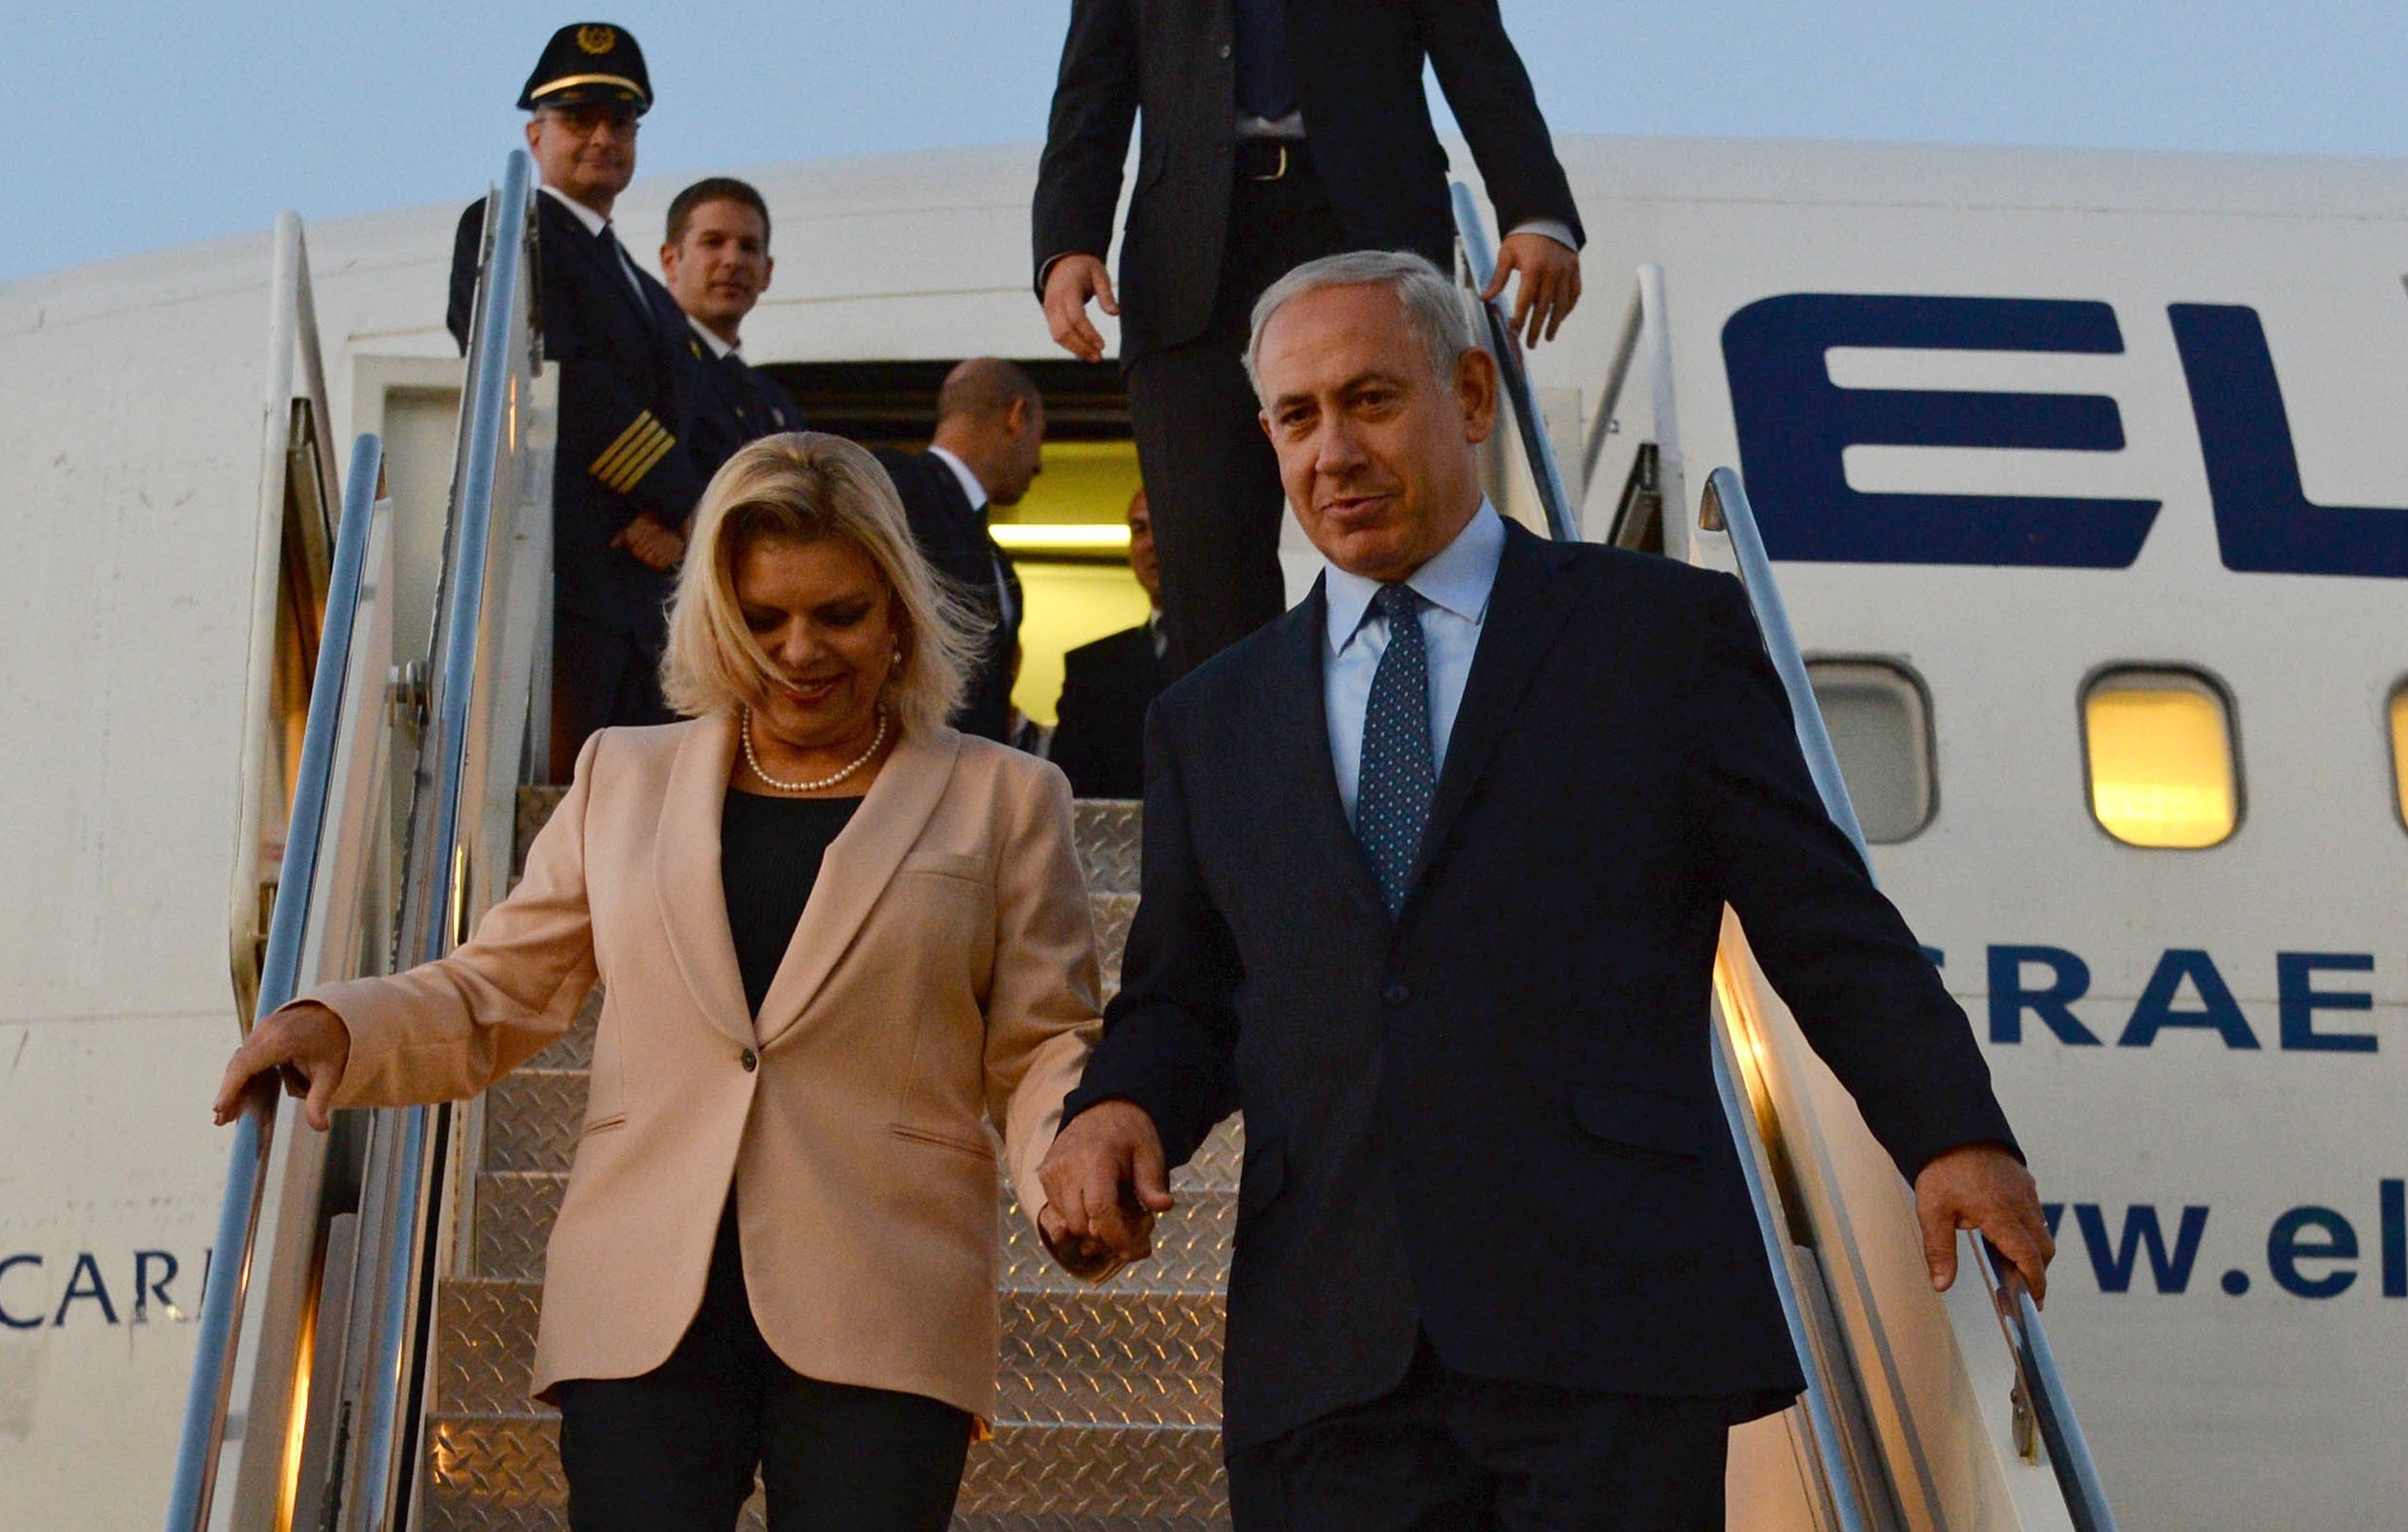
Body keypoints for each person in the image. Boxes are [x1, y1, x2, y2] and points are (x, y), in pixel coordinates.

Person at [1037, 252, 2054, 1530]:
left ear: (1470, 394)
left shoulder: (1658, 637)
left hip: (1607, 1330)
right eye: (1297, 418)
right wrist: (1118, 1107)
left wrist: (1951, 1131)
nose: (1333, 451)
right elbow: (1185, 996)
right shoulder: (1210, 716)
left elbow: (1820, 916)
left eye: (1369, 400)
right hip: (1330, 1354)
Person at [216, 434, 1103, 1531]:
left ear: (900, 616)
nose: (798, 650)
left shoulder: (1007, 799)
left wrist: (1069, 1162)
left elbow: (1041, 1043)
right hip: (642, 1303)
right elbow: (497, 990)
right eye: (762, 618)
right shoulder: (619, 778)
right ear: (716, 620)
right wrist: (333, 1023)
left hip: (885, 1287)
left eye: (839, 615)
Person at [1033, 0, 1585, 682]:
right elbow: (1092, 86)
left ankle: (1427, 748)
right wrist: (1067, 240)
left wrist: (1535, 210)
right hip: (1189, 258)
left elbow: (1477, 53)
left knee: (1401, 512)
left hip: (1366, 226)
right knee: (1206, 561)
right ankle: (1244, 779)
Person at [447, 23, 705, 778]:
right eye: (578, 119)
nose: (601, 137)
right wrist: (681, 502)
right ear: (535, 135)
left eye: (619, 122)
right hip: (567, 586)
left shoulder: (643, 289)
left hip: (644, 602)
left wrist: (680, 523)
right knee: (565, 818)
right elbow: (556, 375)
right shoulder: (509, 229)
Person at [874, 360, 1043, 744]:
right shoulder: (894, 488)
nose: (1039, 464)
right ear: (1017, 416)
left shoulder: (997, 561)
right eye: (1040, 435)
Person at [662, 176, 802, 477]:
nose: (733, 260)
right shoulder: (652, 369)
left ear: (767, 272)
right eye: (713, 242)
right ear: (671, 261)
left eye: (749, 247)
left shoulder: (777, 405)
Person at [1048, 488, 1164, 799]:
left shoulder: (1234, 653)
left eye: (1162, 525)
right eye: (1139, 529)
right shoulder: (1091, 668)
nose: (1151, 543)